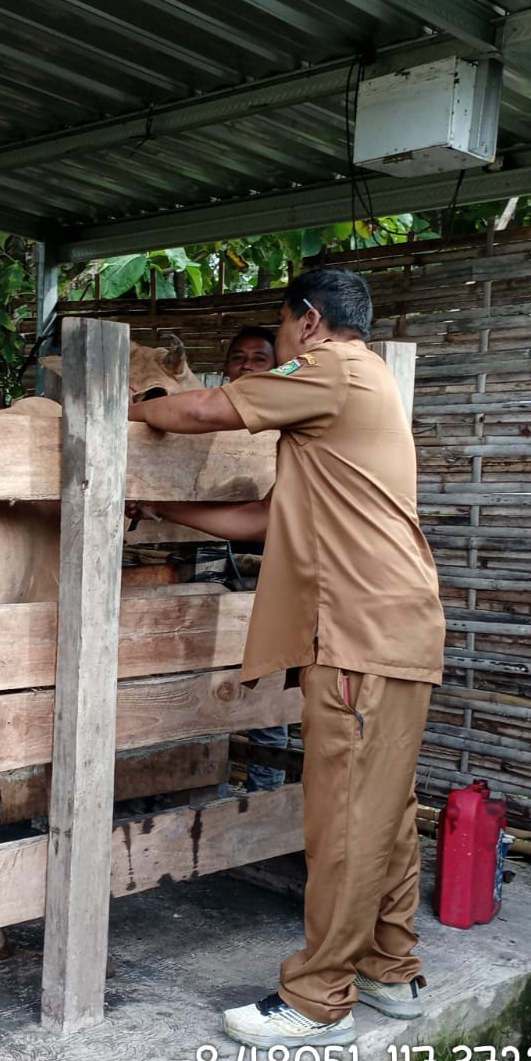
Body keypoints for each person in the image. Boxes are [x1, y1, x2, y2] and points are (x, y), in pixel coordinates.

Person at [126, 267, 444, 1049]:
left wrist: (129, 408)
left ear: (307, 320)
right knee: (385, 816)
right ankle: (389, 969)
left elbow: (204, 407)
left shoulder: (330, 369)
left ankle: (317, 999)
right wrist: (163, 506)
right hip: (396, 630)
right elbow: (263, 518)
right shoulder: (358, 396)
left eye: (279, 327)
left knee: (341, 818)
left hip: (361, 635)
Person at [217, 327, 289, 794]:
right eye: (238, 358)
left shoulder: (290, 424)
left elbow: (265, 516)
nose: (246, 366)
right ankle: (209, 784)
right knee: (209, 687)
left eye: (258, 359)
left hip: (273, 581)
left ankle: (265, 788)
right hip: (215, 578)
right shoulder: (209, 423)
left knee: (267, 690)